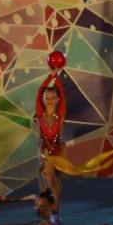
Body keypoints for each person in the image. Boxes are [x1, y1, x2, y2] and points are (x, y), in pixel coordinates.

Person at [35, 69, 65, 204]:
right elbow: (40, 92)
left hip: (58, 148)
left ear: (58, 100)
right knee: (43, 175)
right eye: (47, 98)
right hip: (44, 148)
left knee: (55, 179)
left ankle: (55, 207)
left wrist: (56, 78)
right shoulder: (40, 113)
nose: (50, 101)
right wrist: (50, 77)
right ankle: (47, 204)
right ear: (42, 100)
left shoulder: (60, 113)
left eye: (53, 98)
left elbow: (62, 93)